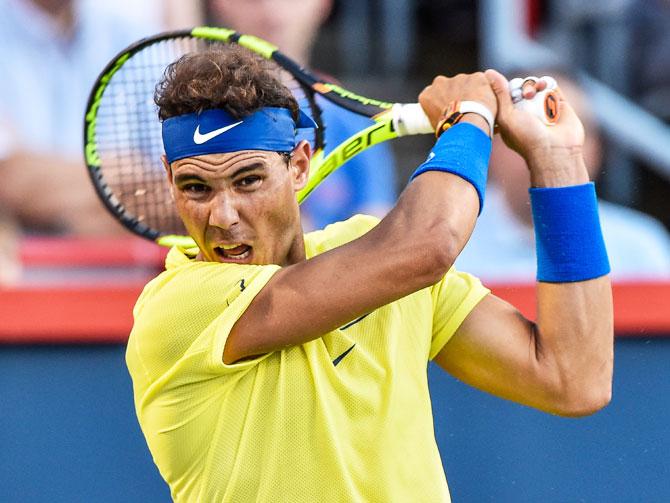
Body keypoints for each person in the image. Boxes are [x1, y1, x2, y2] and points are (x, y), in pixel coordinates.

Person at [126, 46, 613, 502]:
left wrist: (558, 159)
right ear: (170, 181)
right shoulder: (174, 310)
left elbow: (575, 379)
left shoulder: (379, 258)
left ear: (299, 166)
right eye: (196, 187)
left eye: (248, 180)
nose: (222, 215)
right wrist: (471, 118)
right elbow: (429, 244)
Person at [202, 0, 398, 230]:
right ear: (221, 4)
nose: (273, 15)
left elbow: (376, 223)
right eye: (252, 0)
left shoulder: (352, 117)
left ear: (322, 5)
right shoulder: (194, 115)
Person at [456, 72, 670, 281]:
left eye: (567, 130)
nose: (546, 148)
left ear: (598, 148)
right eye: (522, 132)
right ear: (489, 146)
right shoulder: (451, 245)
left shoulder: (641, 247)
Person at [0, 0, 164, 235]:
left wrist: (48, 208)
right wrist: (123, 183)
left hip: (134, 269)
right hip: (23, 271)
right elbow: (9, 183)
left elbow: (181, 190)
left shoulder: (133, 34)